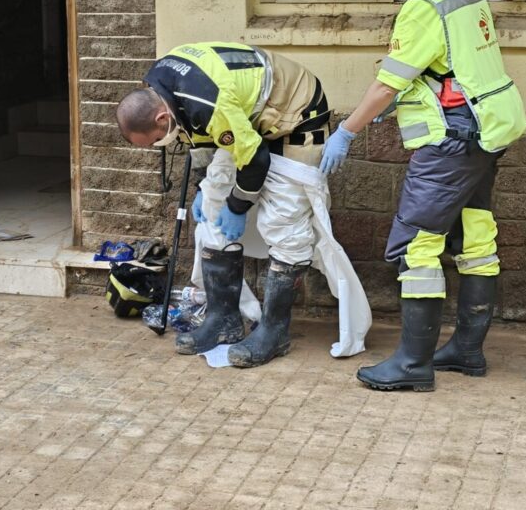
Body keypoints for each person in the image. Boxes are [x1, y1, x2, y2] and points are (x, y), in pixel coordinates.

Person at [320, 0, 526, 392]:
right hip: (484, 131)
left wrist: (347, 130)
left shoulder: (424, 3)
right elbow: (450, 67)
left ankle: (414, 364)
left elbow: (387, 84)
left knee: (417, 245)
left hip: (450, 141)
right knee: (476, 238)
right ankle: (468, 350)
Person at [117, 42, 371, 366]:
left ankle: (274, 331)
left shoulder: (205, 102)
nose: (159, 144)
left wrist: (237, 208)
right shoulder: (161, 85)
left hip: (295, 110)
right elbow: (197, 134)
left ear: (160, 115)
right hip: (249, 113)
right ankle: (224, 321)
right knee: (211, 207)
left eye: (155, 139)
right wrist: (202, 187)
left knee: (286, 223)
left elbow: (255, 161)